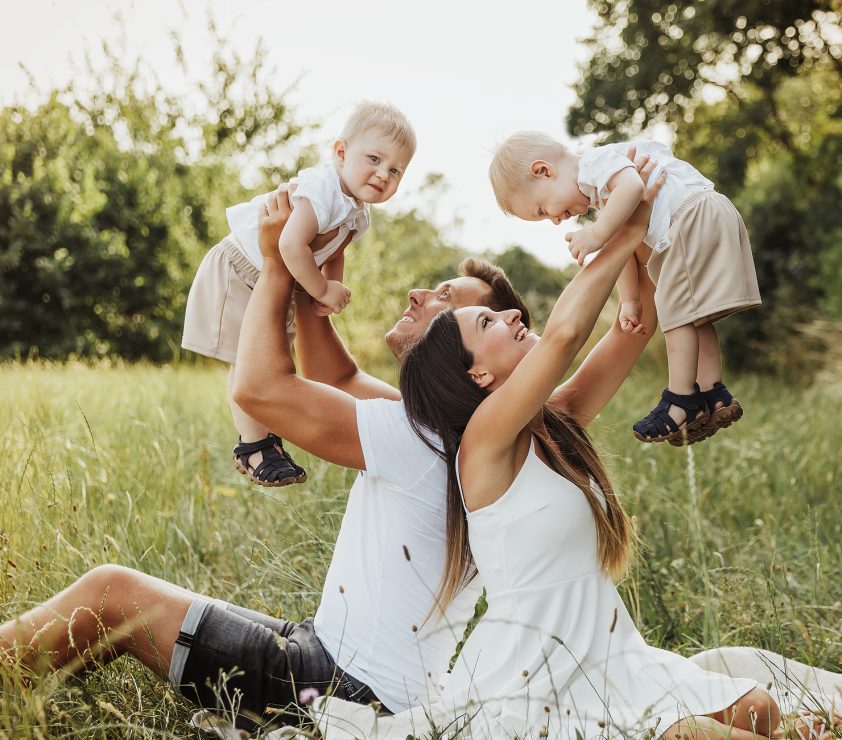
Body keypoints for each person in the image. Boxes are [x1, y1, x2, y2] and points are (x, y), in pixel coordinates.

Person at [0, 155, 662, 733]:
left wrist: (275, 266)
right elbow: (629, 330)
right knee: (136, 604)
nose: (423, 297)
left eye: (455, 306)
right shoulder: (524, 427)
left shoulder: (423, 435)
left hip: (343, 683)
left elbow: (262, 387)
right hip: (351, 664)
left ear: (475, 365)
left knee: (111, 592)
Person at [394, 172, 784, 738]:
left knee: (761, 711)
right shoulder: (484, 442)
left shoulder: (555, 421)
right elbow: (564, 336)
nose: (511, 316)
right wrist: (623, 230)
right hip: (537, 678)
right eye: (489, 322)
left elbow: (638, 323)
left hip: (613, 657)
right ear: (478, 373)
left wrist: (639, 236)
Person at [181, 101, 415, 488]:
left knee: (274, 360)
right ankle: (254, 445)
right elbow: (289, 244)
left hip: (275, 282)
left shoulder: (358, 212)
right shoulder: (322, 188)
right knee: (249, 359)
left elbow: (334, 250)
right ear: (341, 153)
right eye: (373, 158)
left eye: (395, 170)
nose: (383, 174)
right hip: (242, 270)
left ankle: (267, 440)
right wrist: (320, 287)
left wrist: (329, 290)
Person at [489, 131, 761, 447]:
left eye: (541, 210)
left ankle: (680, 400)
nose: (553, 220)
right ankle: (713, 394)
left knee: (674, 311)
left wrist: (597, 234)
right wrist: (630, 299)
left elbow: (632, 189)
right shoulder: (604, 189)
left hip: (690, 215)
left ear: (543, 170)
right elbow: (625, 245)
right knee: (694, 316)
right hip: (701, 215)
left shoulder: (594, 162)